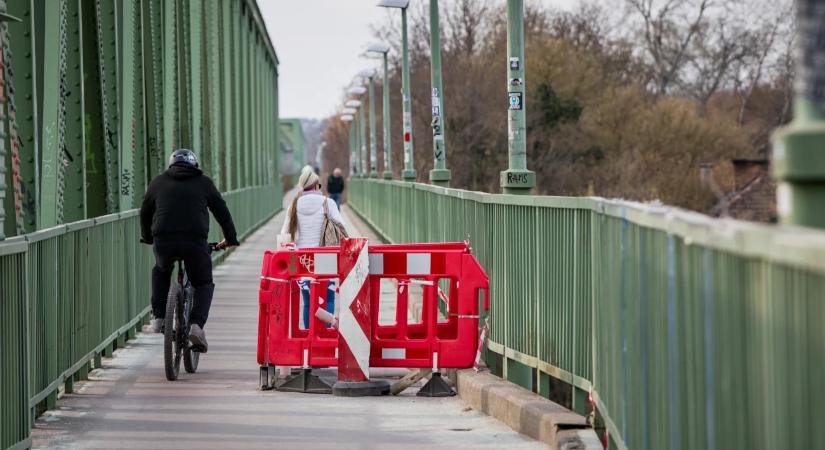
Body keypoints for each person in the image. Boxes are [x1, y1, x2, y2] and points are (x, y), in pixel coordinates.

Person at [139, 149, 239, 353]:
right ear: (195, 165)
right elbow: (222, 212)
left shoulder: (158, 182)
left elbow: (145, 212)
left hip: (164, 241)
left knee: (161, 270)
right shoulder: (204, 183)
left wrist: (148, 237)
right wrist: (230, 239)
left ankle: (159, 317)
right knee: (203, 283)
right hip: (194, 242)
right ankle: (196, 325)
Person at [282, 166, 346, 328]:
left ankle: (308, 335)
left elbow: (285, 234)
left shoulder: (294, 205)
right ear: (317, 185)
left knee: (308, 302)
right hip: (326, 259)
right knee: (328, 298)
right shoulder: (328, 203)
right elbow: (342, 228)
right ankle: (325, 334)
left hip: (303, 262)